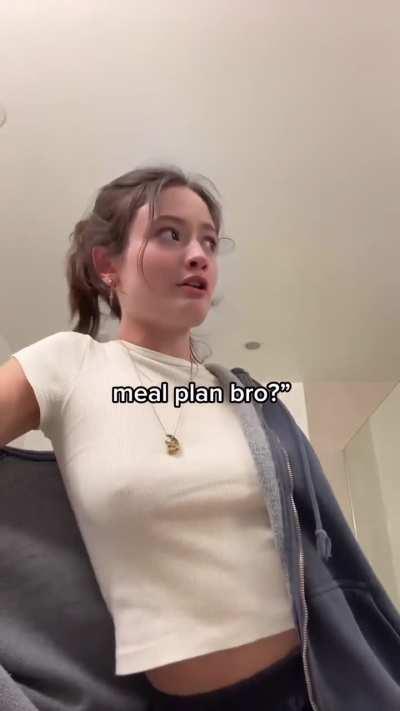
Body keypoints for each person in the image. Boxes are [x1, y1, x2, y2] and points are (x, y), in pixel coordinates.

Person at [1, 164, 400, 711]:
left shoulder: (246, 399)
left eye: (209, 241)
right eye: (170, 234)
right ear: (107, 265)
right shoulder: (68, 365)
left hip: (319, 684)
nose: (198, 255)